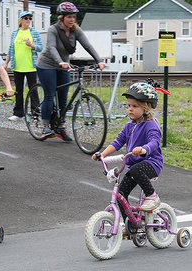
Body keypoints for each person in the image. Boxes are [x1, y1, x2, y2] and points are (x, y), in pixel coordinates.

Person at [92, 82, 163, 221]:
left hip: (152, 163)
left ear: (147, 107)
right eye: (128, 105)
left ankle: (152, 196)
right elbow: (118, 142)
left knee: (136, 169)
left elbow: (154, 142)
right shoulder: (129, 126)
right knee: (121, 194)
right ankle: (130, 223)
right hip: (135, 166)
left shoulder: (151, 125)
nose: (130, 109)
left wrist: (143, 149)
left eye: (135, 106)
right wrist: (103, 154)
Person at [36, 1, 105, 141]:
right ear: (62, 18)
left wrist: (99, 60)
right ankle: (45, 126)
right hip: (47, 64)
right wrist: (60, 62)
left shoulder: (76, 30)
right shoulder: (53, 29)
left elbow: (87, 45)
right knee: (50, 95)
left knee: (63, 98)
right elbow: (51, 47)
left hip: (64, 65)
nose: (72, 19)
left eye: (73, 17)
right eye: (69, 17)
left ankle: (60, 126)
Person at [4, 11, 43, 121]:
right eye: (26, 18)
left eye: (30, 18)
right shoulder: (15, 33)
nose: (28, 20)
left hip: (31, 66)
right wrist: (6, 62)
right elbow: (11, 49)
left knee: (33, 89)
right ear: (21, 20)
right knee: (18, 90)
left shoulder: (34, 33)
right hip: (18, 66)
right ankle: (18, 113)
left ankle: (35, 112)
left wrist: (32, 45)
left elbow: (40, 47)